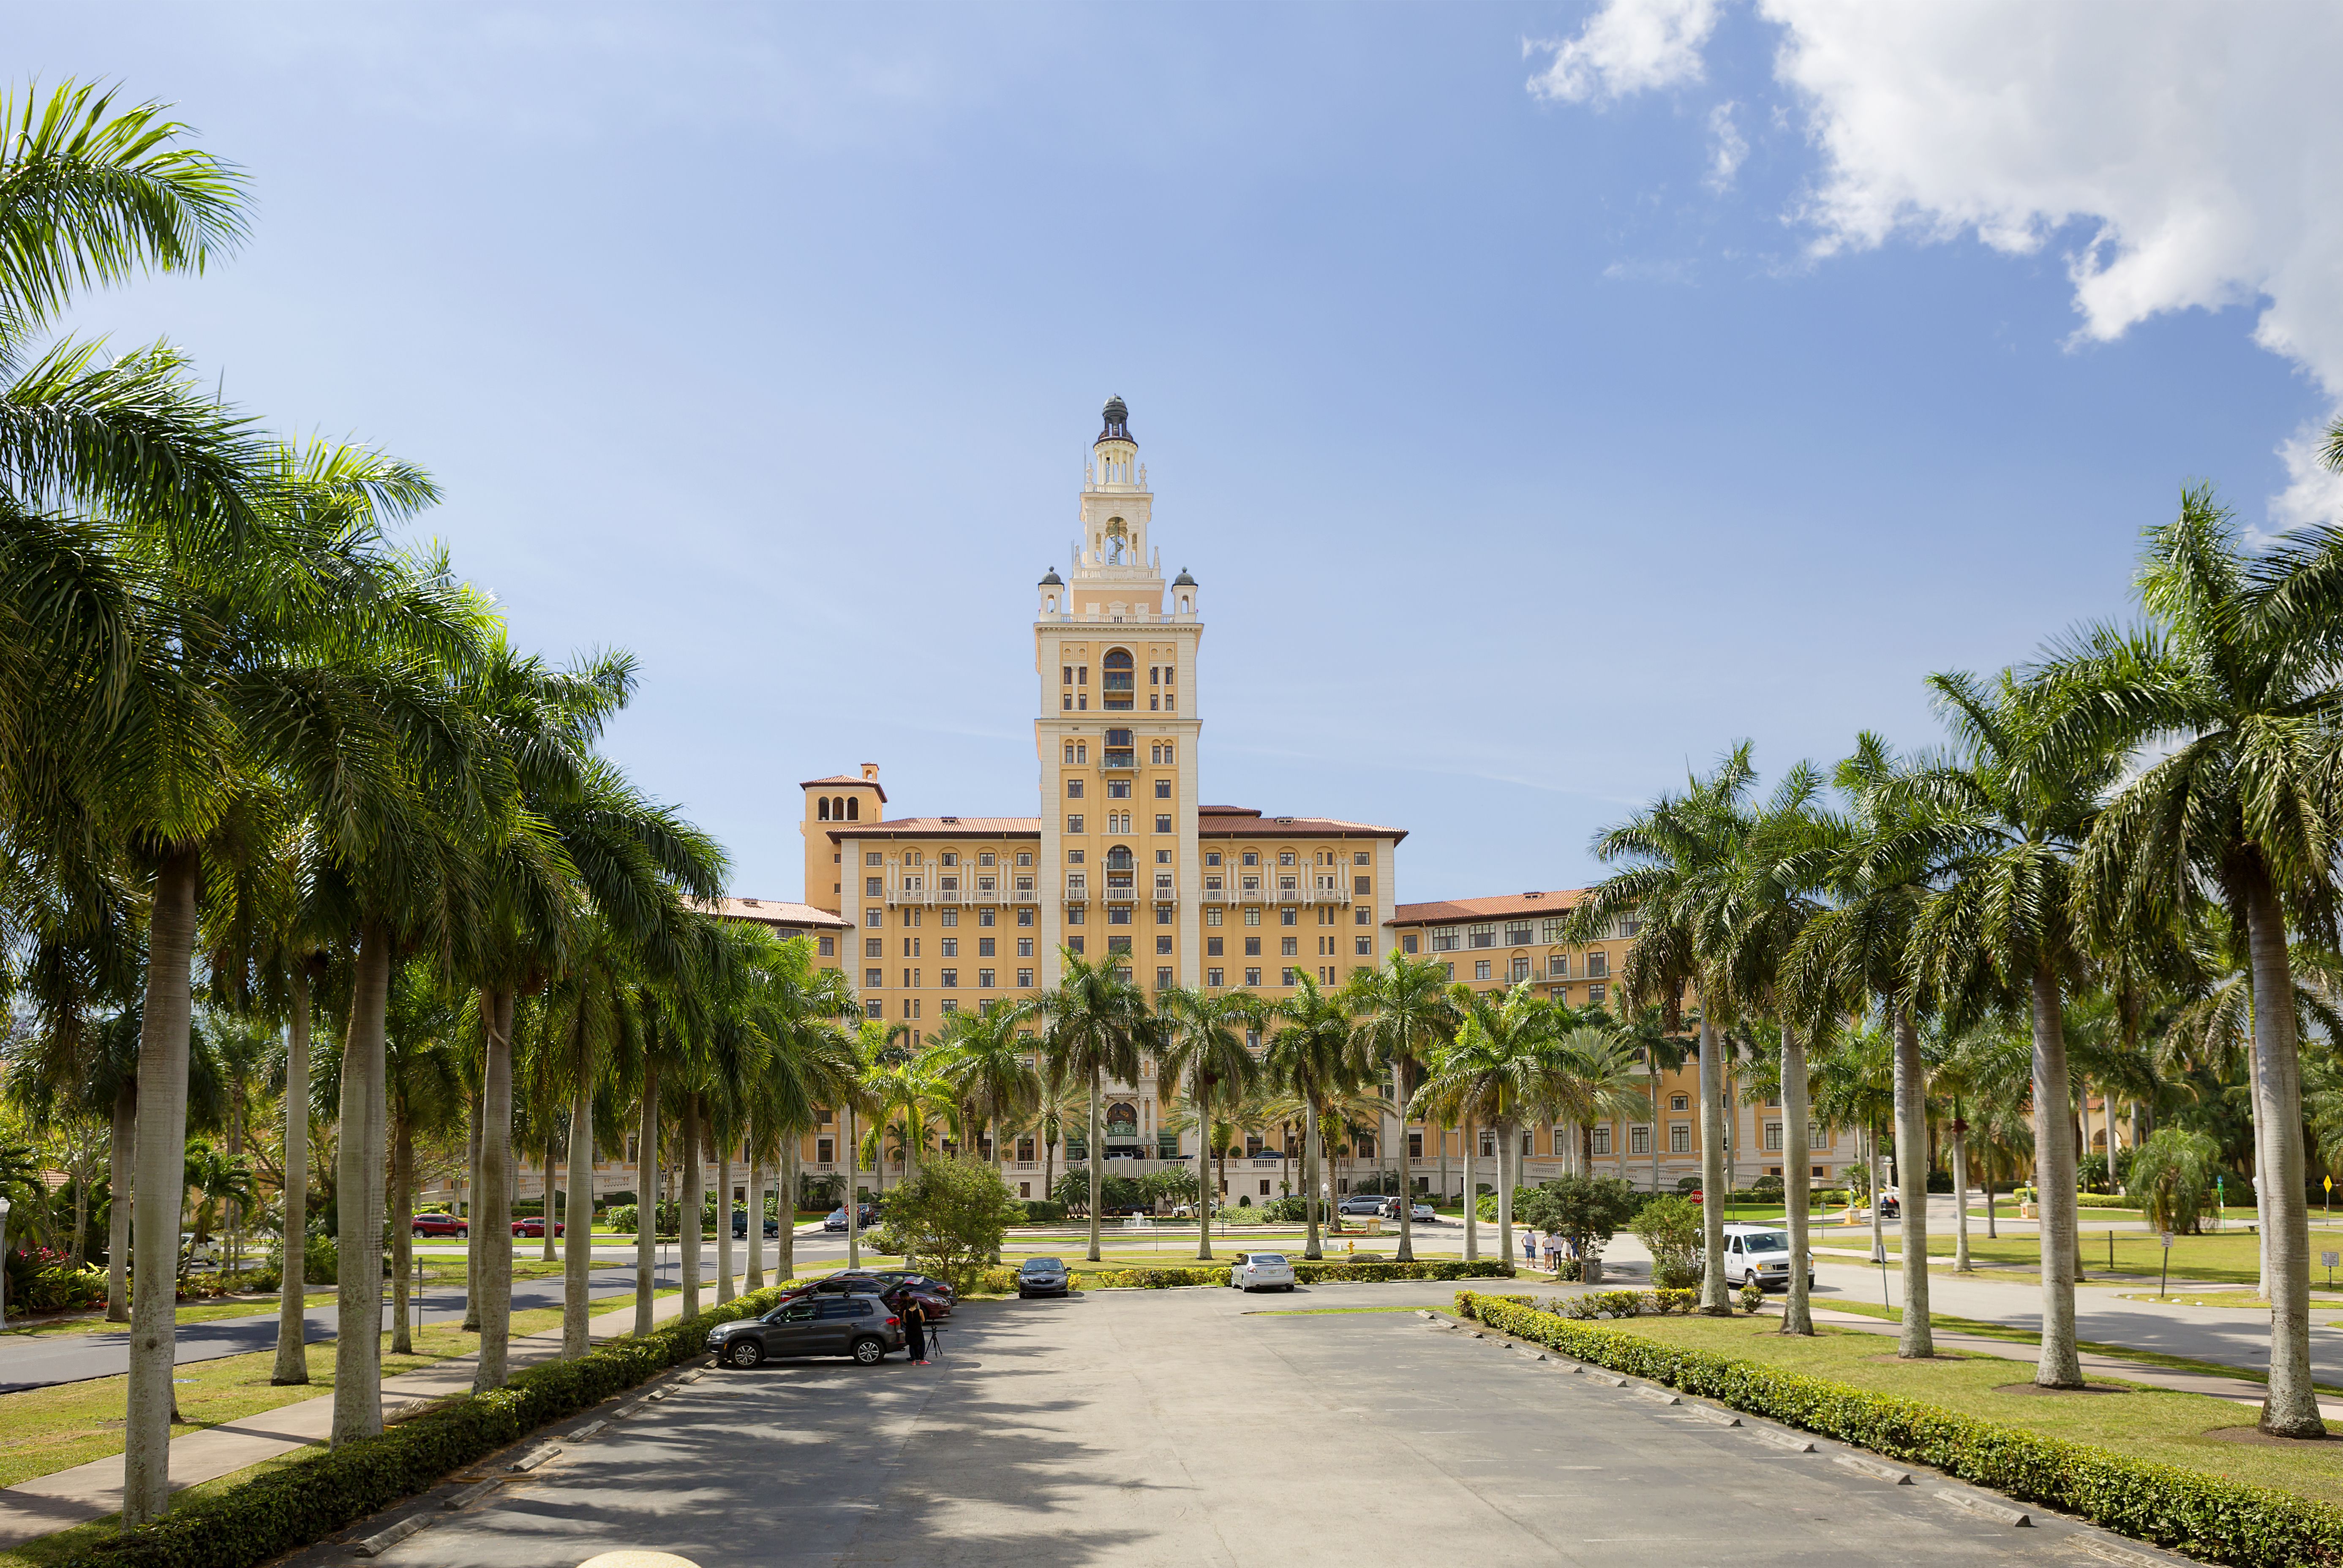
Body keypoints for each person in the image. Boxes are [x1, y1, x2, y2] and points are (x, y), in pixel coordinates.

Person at [902, 1293, 929, 1365]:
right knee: (922, 1344)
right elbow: (923, 1320)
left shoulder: (906, 1312)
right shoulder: (920, 1311)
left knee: (912, 1345)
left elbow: (905, 1321)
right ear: (916, 1304)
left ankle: (914, 1361)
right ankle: (922, 1360)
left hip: (909, 1330)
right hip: (918, 1330)